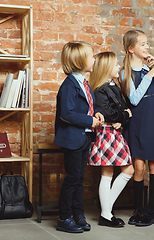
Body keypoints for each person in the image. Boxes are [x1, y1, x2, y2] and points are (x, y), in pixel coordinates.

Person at [119, 29, 154, 227]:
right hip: (137, 119)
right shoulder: (125, 73)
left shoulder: (150, 69)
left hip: (153, 118)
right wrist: (149, 75)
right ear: (131, 49)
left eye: (147, 43)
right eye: (143, 44)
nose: (147, 47)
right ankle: (138, 210)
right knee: (138, 167)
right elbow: (133, 98)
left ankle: (150, 212)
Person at [54, 41, 104, 233]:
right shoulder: (69, 85)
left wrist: (96, 114)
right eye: (91, 56)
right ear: (80, 60)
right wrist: (88, 120)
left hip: (84, 138)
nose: (94, 59)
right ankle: (64, 217)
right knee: (72, 179)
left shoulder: (83, 83)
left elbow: (86, 107)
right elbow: (66, 114)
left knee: (79, 179)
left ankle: (78, 215)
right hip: (73, 139)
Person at [88, 52, 134, 228]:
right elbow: (108, 113)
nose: (119, 67)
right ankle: (106, 213)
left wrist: (122, 117)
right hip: (106, 133)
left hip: (115, 134)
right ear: (106, 68)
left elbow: (124, 111)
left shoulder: (114, 86)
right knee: (107, 174)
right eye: (116, 64)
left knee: (126, 170)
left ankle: (105, 209)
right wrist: (123, 115)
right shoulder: (100, 89)